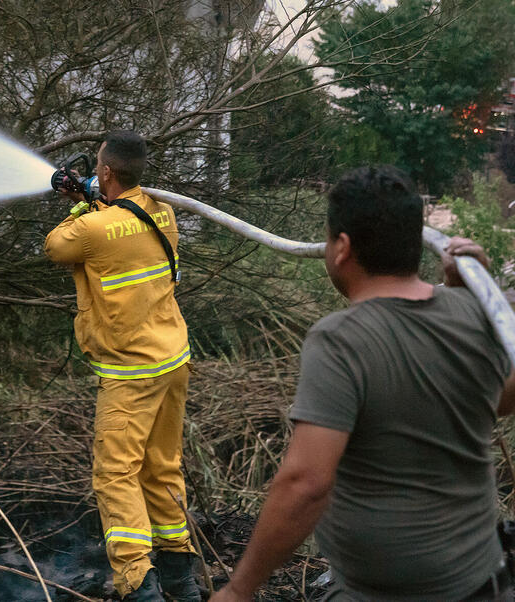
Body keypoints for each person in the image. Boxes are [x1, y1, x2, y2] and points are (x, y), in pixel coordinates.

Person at [212, 165, 515, 602]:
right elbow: (502, 399)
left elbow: (305, 484)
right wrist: (471, 300)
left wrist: (239, 589)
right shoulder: (469, 311)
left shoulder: (339, 340)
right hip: (481, 586)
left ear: (342, 248)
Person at [45, 130, 200, 601]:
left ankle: (138, 583)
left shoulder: (90, 228)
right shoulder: (163, 211)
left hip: (131, 373)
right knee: (161, 467)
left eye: (97, 167)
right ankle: (180, 580)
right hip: (172, 359)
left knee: (115, 475)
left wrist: (77, 204)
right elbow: (122, 230)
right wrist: (95, 198)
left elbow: (57, 246)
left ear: (107, 171)